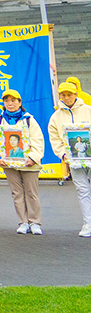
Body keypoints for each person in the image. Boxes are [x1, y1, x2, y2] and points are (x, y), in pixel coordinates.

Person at [0, 89, 44, 234]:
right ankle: (23, 222)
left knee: (31, 193)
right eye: (7, 101)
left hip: (29, 164)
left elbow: (38, 140)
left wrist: (33, 158)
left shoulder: (28, 120)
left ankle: (35, 222)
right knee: (17, 193)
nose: (10, 104)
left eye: (13, 101)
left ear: (20, 103)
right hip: (8, 164)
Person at [48, 81, 91, 238]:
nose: (66, 98)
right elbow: (54, 139)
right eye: (63, 95)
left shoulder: (88, 110)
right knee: (82, 190)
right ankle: (88, 223)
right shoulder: (56, 117)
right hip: (73, 160)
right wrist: (63, 155)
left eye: (69, 94)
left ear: (76, 94)